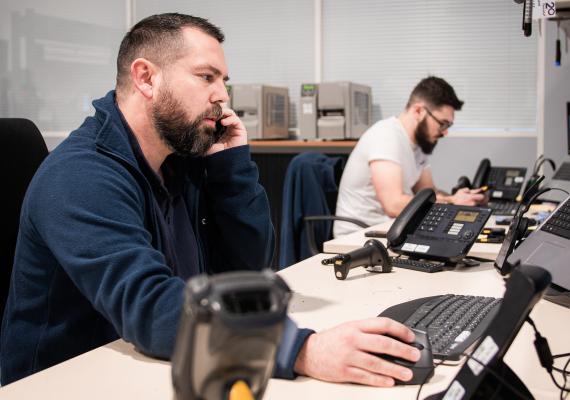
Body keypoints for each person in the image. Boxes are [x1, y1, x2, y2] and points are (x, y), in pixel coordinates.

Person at [1, 13, 420, 387]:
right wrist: (301, 351)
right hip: (70, 381)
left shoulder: (182, 161)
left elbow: (249, 269)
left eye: (224, 82)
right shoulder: (81, 176)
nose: (223, 96)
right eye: (206, 77)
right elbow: (148, 305)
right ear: (146, 78)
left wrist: (232, 168)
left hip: (159, 359)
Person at [334, 76, 487, 237]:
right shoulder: (386, 136)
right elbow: (393, 205)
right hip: (359, 236)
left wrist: (463, 198)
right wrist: (453, 202)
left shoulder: (418, 144)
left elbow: (429, 193)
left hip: (389, 229)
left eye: (448, 125)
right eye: (442, 123)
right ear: (419, 111)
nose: (445, 131)